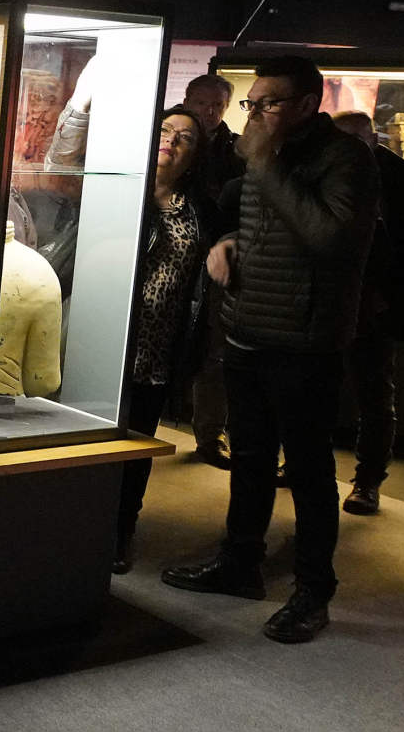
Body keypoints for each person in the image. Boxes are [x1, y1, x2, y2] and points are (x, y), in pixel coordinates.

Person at [161, 56, 378, 645]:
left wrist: (266, 163)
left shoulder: (345, 157)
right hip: (247, 328)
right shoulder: (266, 151)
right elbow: (263, 228)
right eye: (251, 104)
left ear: (307, 104)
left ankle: (313, 589)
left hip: (305, 341)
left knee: (308, 470)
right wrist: (229, 241)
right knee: (251, 460)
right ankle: (239, 564)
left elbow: (330, 239)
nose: (253, 114)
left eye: (267, 104)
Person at [328, 111, 404, 515]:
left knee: (373, 394)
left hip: (373, 306)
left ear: (373, 139)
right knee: (316, 390)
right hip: (328, 300)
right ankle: (302, 463)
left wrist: (391, 299)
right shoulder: (326, 171)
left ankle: (368, 479)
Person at [114, 107, 209, 574]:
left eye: (186, 137)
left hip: (157, 348)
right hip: (110, 338)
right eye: (166, 130)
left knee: (137, 444)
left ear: (194, 155)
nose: (172, 140)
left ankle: (121, 528)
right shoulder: (122, 190)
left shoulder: (199, 207)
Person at [179, 73, 246, 468]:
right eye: (201, 102)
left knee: (215, 350)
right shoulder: (170, 138)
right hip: (171, 255)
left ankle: (209, 433)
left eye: (216, 105)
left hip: (216, 259)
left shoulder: (236, 152)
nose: (208, 111)